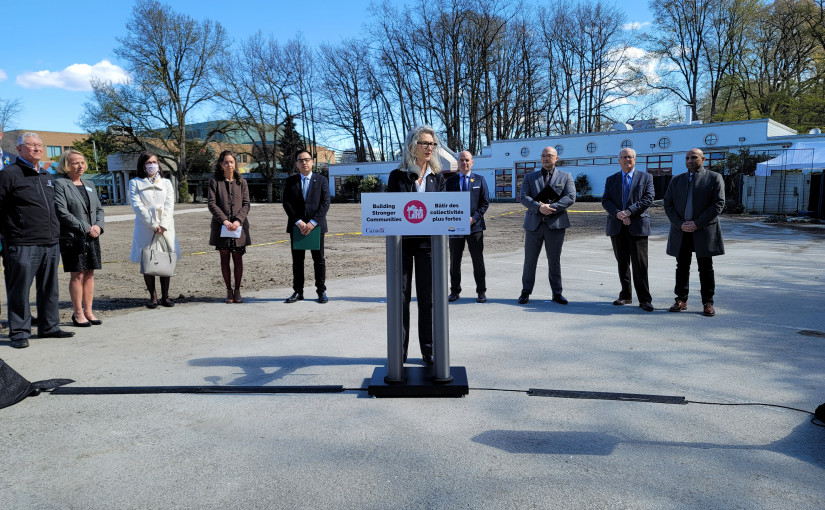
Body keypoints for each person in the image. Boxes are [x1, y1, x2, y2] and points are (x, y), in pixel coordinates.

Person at [0, 133, 75, 348]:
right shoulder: (8, 174)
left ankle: (49, 327)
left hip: (50, 241)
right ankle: (19, 332)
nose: (37, 148)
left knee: (49, 287)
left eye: (40, 145)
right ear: (19, 149)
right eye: (31, 145)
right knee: (19, 289)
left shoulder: (46, 175)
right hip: (21, 243)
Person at [386, 125, 446, 365]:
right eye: (425, 143)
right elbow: (391, 211)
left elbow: (443, 211)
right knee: (401, 299)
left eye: (432, 144)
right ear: (413, 146)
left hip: (429, 246)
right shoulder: (397, 175)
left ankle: (428, 351)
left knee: (428, 300)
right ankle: (399, 352)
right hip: (401, 246)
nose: (430, 148)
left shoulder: (438, 176)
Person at [663, 148, 725, 317]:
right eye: (687, 158)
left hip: (704, 230)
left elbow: (718, 204)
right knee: (682, 267)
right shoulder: (676, 180)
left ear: (703, 159)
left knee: (706, 268)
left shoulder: (714, 178)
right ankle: (681, 300)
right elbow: (668, 204)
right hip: (681, 231)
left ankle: (708, 302)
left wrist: (697, 223)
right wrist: (680, 224)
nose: (690, 160)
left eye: (694, 157)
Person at [518, 146, 576, 305]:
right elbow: (523, 197)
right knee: (530, 261)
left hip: (555, 225)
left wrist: (551, 208)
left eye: (549, 155)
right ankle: (525, 292)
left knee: (554, 261)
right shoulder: (530, 177)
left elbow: (571, 196)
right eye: (543, 155)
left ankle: (557, 293)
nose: (545, 158)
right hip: (533, 225)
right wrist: (539, 207)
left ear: (556, 158)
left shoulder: (566, 176)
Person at [54, 150, 105, 326]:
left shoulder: (89, 184)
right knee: (78, 275)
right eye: (75, 162)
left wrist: (98, 226)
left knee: (90, 273)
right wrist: (86, 227)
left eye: (82, 162)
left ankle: (89, 311)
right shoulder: (60, 184)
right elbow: (61, 211)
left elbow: (99, 209)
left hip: (92, 236)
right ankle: (77, 313)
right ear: (66, 165)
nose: (80, 166)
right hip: (73, 237)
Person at [601, 148, 655, 312]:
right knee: (622, 263)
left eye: (630, 157)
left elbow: (648, 198)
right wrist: (618, 213)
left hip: (637, 226)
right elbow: (606, 200)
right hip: (617, 226)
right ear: (619, 160)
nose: (627, 160)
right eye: (623, 157)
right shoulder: (611, 179)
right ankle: (625, 295)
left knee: (640, 265)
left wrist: (630, 212)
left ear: (635, 159)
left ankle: (644, 299)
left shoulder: (646, 177)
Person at [129, 151, 182, 308]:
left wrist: (163, 224)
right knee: (147, 260)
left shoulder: (166, 183)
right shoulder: (135, 183)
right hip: (145, 227)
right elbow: (137, 206)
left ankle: (166, 296)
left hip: (165, 227)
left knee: (165, 259)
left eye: (155, 162)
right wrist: (153, 224)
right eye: (148, 163)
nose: (152, 165)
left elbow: (169, 205)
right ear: (142, 165)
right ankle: (152, 296)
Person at [283, 150, 330, 304]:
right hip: (297, 227)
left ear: (312, 162)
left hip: (316, 227)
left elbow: (325, 203)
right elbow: (287, 203)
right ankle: (298, 291)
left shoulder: (322, 180)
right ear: (296, 164)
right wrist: (299, 221)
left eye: (307, 160)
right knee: (298, 261)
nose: (304, 163)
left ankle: (321, 291)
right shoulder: (290, 181)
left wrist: (312, 222)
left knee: (319, 260)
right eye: (300, 160)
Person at [207, 150, 251, 304]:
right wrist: (224, 221)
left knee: (238, 258)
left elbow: (246, 204)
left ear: (235, 163)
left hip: (239, 227)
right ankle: (228, 291)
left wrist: (238, 220)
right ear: (221, 164)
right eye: (226, 162)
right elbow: (211, 203)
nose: (229, 165)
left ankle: (237, 290)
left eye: (231, 162)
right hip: (222, 227)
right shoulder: (215, 182)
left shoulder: (242, 182)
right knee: (224, 258)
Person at [446, 151, 489, 303]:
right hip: (455, 227)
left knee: (478, 260)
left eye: (467, 160)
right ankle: (454, 291)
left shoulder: (480, 180)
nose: (464, 162)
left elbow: (485, 203)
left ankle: (481, 291)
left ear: (472, 162)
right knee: (454, 260)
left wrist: (474, 218)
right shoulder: (450, 181)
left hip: (475, 227)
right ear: (457, 162)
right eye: (461, 160)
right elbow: (445, 202)